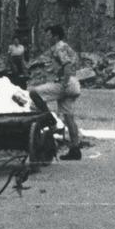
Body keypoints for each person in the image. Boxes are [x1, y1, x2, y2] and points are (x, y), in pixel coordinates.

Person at [29, 25, 83, 160]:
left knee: (34, 93)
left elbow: (67, 64)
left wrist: (64, 83)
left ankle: (50, 120)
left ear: (56, 36)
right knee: (69, 118)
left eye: (49, 35)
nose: (47, 38)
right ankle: (75, 149)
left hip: (66, 83)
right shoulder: (65, 46)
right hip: (74, 82)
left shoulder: (59, 47)